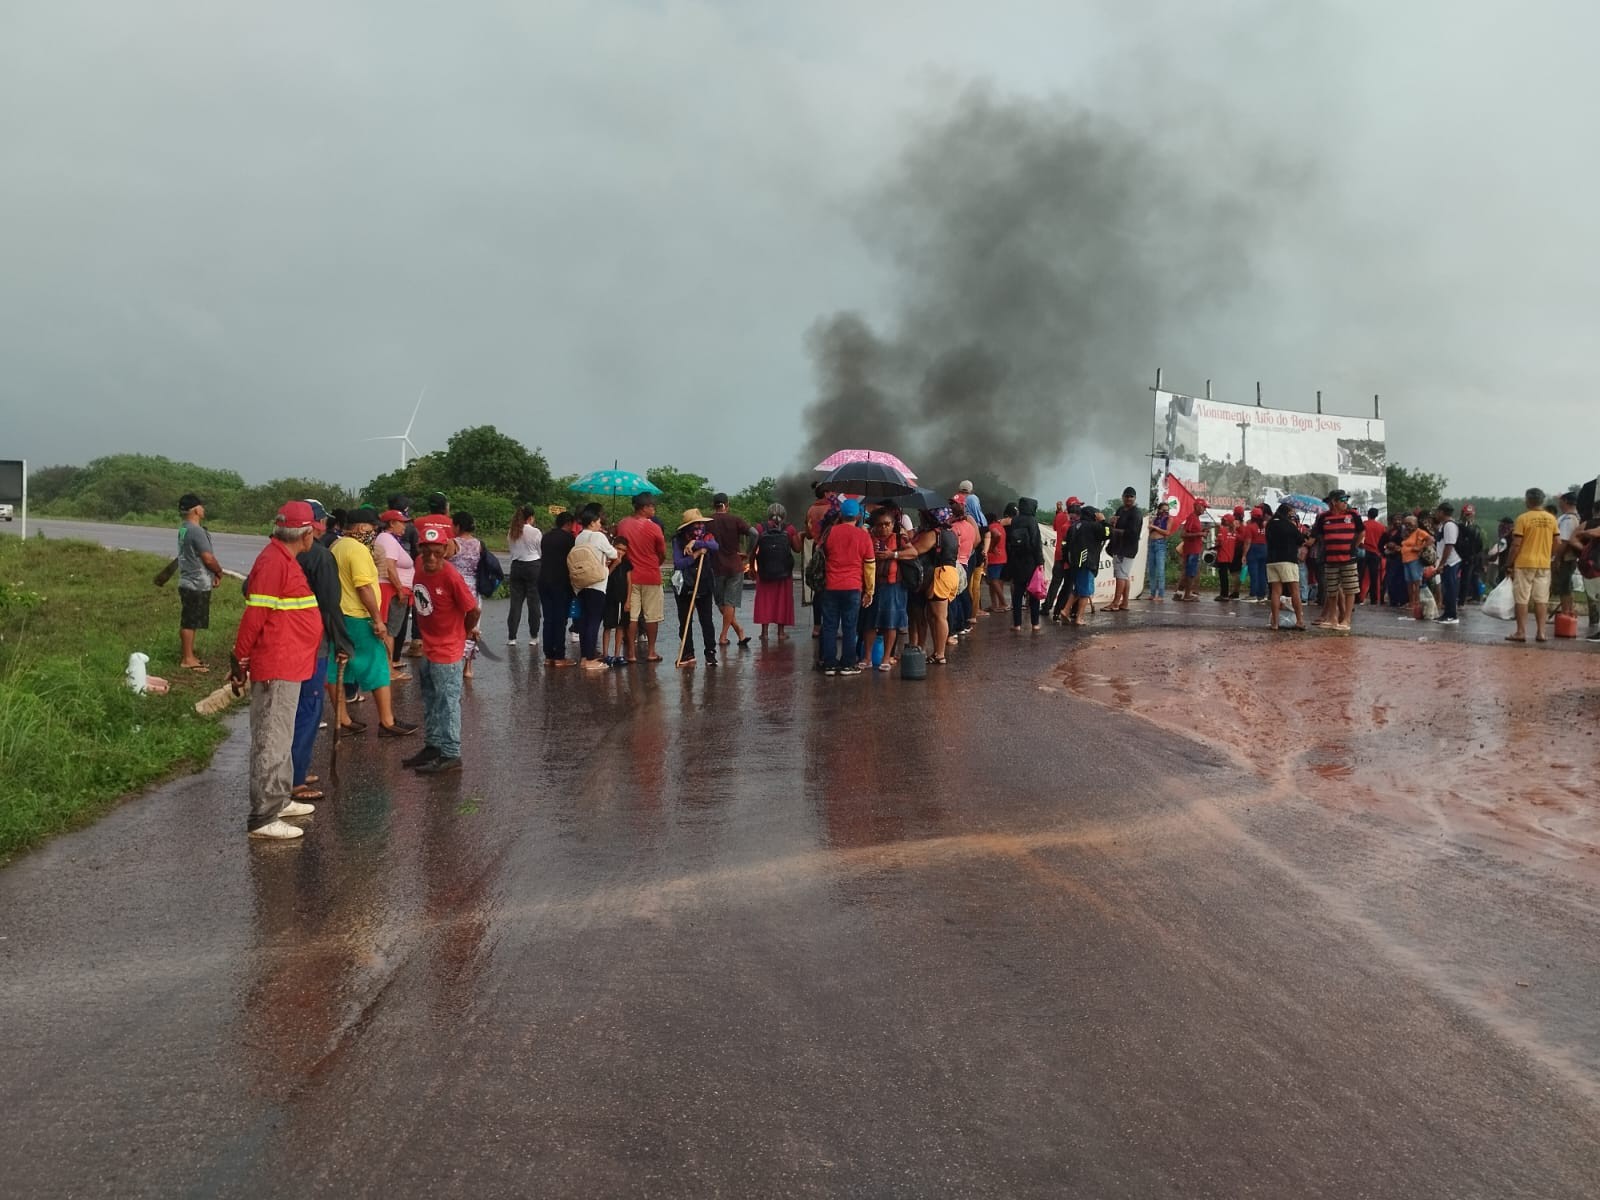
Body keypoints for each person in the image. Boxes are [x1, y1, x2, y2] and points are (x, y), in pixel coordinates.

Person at [230, 502, 324, 841]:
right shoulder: (273, 562)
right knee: (271, 739)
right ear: (307, 533)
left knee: (281, 737)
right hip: (277, 665)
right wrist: (240, 659)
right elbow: (255, 616)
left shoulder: (283, 559)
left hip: (291, 662)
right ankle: (264, 816)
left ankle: (280, 800)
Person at [325, 507, 418, 738]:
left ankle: (343, 718)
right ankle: (387, 721)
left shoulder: (336, 546)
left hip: (339, 615)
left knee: (339, 666)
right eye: (372, 528)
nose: (374, 532)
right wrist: (377, 619)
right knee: (378, 665)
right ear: (360, 528)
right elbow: (363, 587)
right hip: (358, 616)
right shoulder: (357, 550)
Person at [401, 524, 481, 774]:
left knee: (447, 702)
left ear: (446, 550)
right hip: (429, 645)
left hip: (447, 649)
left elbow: (473, 610)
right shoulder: (418, 566)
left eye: (438, 552)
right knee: (430, 698)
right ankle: (433, 745)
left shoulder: (451, 576)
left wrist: (463, 633)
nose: (432, 558)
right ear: (420, 550)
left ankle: (451, 753)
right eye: (427, 553)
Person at [290, 499, 353, 804]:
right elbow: (331, 605)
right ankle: (296, 779)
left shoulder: (278, 554)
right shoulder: (319, 557)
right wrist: (342, 643)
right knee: (308, 709)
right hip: (314, 643)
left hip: (285, 641)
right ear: (313, 525)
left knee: (290, 710)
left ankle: (294, 769)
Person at [818, 498, 875, 675]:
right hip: (853, 587)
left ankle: (829, 664)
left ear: (841, 514)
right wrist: (869, 590)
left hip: (831, 586)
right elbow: (870, 565)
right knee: (850, 626)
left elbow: (820, 552)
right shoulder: (863, 536)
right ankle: (848, 664)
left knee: (829, 626)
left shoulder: (830, 532)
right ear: (858, 516)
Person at [616, 493, 668, 664]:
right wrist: (656, 562)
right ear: (644, 507)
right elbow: (662, 552)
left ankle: (630, 652)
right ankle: (651, 651)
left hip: (629, 576)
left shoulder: (623, 524)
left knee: (631, 615)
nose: (654, 508)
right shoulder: (654, 528)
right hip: (650, 575)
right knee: (652, 616)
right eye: (652, 506)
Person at [175, 493, 223, 671]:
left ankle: (189, 655)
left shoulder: (184, 528)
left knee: (190, 619)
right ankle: (187, 658)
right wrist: (218, 571)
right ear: (196, 509)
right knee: (190, 620)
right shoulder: (197, 531)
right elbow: (208, 558)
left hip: (187, 579)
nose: (203, 509)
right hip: (196, 581)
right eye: (201, 506)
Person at [570, 505, 620, 670]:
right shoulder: (599, 537)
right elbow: (613, 554)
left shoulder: (579, 537)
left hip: (581, 584)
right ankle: (590, 659)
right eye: (599, 521)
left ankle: (585, 655)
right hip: (597, 583)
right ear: (592, 522)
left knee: (584, 621)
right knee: (593, 621)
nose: (600, 523)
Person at [1506, 487, 1558, 644]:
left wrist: (1509, 563)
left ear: (1528, 500)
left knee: (1522, 598)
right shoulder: (1551, 519)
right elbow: (1557, 542)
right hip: (1543, 564)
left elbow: (1516, 544)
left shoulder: (1523, 518)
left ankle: (1521, 632)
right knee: (1541, 599)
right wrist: (1549, 556)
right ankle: (1541, 632)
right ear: (1542, 501)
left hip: (1524, 563)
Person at [672, 509, 720, 667]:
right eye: (695, 524)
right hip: (684, 584)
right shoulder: (678, 540)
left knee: (706, 620)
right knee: (685, 620)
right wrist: (696, 554)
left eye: (701, 524)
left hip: (704, 582)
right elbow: (679, 563)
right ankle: (688, 653)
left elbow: (715, 547)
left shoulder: (707, 537)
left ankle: (710, 653)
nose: (699, 526)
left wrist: (697, 543)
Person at [707, 492, 753, 650]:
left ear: (713, 505)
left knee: (722, 603)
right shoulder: (735, 520)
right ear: (727, 504)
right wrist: (749, 551)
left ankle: (725, 635)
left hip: (716, 566)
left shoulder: (708, 522)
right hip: (734, 565)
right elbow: (754, 533)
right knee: (729, 603)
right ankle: (736, 631)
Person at [373, 510, 415, 679]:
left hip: (394, 589)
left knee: (390, 630)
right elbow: (389, 566)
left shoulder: (388, 539)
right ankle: (388, 670)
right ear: (391, 523)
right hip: (392, 591)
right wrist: (399, 588)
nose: (405, 526)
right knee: (390, 631)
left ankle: (386, 667)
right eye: (401, 522)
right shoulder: (387, 539)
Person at [1313, 490, 1363, 631]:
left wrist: (1353, 546)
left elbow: (1361, 531)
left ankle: (1346, 619)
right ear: (1334, 501)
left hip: (1348, 558)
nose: (1345, 502)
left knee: (1350, 589)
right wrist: (1327, 546)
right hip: (1330, 558)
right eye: (1342, 500)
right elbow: (1318, 534)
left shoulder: (1353, 515)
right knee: (1332, 589)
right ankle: (1332, 618)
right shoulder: (1323, 517)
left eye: (1346, 499)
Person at [868, 509, 910, 669]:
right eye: (880, 525)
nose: (883, 528)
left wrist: (893, 555)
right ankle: (867, 657)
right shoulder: (868, 538)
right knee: (870, 622)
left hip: (893, 586)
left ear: (893, 525)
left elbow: (913, 552)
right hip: (872, 585)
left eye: (887, 524)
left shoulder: (900, 538)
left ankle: (886, 658)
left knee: (890, 623)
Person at [751, 503, 800, 640]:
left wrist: (751, 567)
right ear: (784, 516)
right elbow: (797, 549)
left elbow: (753, 551)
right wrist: (799, 536)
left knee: (764, 600)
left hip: (764, 571)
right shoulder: (789, 529)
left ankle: (764, 633)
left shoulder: (760, 528)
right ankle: (780, 633)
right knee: (782, 600)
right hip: (784, 572)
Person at [538, 512, 576, 667]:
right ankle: (560, 656)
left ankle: (548, 656)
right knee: (560, 620)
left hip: (543, 580)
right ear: (568, 523)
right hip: (560, 582)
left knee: (548, 619)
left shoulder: (546, 537)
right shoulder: (568, 539)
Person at [448, 512, 483, 678]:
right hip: (473, 589)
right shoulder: (479, 544)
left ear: (458, 526)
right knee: (472, 625)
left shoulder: (453, 543)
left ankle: (455, 660)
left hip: (456, 588)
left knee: (455, 624)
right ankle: (468, 667)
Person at [1062, 505, 1108, 626]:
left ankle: (1065, 610)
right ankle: (1079, 618)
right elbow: (1108, 533)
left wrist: (1068, 560)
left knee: (1077, 589)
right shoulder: (1093, 526)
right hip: (1087, 562)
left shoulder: (1073, 527)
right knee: (1085, 592)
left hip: (1075, 563)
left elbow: (1065, 545)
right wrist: (1103, 521)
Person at [1265, 501, 1307, 631]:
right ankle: (1299, 621)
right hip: (1288, 560)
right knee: (1294, 590)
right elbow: (1300, 540)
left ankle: (1275, 623)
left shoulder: (1269, 524)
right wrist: (1297, 529)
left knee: (1275, 592)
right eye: (1291, 514)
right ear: (1287, 513)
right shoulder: (1289, 525)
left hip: (1272, 561)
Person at [1007, 497, 1045, 632]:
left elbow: (1009, 541)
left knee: (1018, 593)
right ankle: (1035, 623)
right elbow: (1036, 542)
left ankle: (1017, 624)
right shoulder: (1032, 521)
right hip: (1031, 562)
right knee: (1034, 592)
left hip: (1017, 561)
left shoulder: (1015, 520)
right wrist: (1040, 562)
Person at [506, 505, 543, 646]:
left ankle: (512, 637)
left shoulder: (512, 531)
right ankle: (533, 637)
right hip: (533, 566)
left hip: (516, 566)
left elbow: (511, 550)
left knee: (515, 603)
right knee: (533, 604)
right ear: (530, 517)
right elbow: (541, 551)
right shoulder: (535, 532)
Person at [946, 500, 979, 640]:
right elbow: (975, 541)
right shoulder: (970, 527)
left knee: (953, 598)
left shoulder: (953, 528)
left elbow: (953, 546)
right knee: (962, 593)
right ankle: (964, 624)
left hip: (955, 563)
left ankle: (953, 629)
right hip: (965, 562)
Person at [1107, 487, 1142, 611]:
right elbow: (1114, 525)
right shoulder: (1120, 510)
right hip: (1118, 546)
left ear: (1135, 498)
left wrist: (1115, 531)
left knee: (1120, 575)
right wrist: (1112, 522)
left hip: (1127, 548)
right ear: (1122, 497)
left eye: (1131, 496)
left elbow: (1133, 533)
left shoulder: (1136, 513)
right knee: (1125, 575)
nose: (1128, 498)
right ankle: (1125, 603)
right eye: (1126, 496)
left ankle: (1115, 603)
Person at [602, 535, 632, 666]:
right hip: (609, 597)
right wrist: (614, 564)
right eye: (618, 548)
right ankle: (605, 654)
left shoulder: (627, 564)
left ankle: (617, 654)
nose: (621, 552)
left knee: (621, 626)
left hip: (622, 597)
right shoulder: (606, 560)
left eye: (624, 550)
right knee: (608, 625)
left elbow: (629, 582)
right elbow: (605, 575)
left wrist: (628, 600)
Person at [1044, 498, 1078, 615]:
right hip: (1068, 556)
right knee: (1068, 585)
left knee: (1055, 583)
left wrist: (1058, 512)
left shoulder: (1059, 516)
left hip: (1058, 554)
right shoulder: (1074, 520)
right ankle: (1061, 609)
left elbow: (1054, 527)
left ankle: (1046, 607)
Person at [1432, 503, 1462, 625]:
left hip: (1451, 561)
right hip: (1446, 562)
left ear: (1442, 512)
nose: (1436, 514)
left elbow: (1449, 545)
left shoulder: (1449, 526)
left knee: (1450, 588)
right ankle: (1447, 613)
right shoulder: (1443, 525)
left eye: (1437, 512)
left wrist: (1442, 564)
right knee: (1446, 588)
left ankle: (1452, 615)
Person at [1553, 491, 1581, 619]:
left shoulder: (1568, 519)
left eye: (1560, 500)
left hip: (1565, 558)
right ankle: (1569, 612)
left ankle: (1566, 613)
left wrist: (1557, 559)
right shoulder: (1573, 517)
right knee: (1567, 585)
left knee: (1564, 586)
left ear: (1565, 501)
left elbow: (1564, 541)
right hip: (1567, 557)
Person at [1398, 515, 1432, 616]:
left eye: (1410, 524)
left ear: (1416, 523)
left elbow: (1430, 539)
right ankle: (1411, 602)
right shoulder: (1406, 533)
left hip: (1415, 560)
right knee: (1409, 582)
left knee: (1416, 581)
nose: (1408, 526)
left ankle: (1417, 602)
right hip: (1406, 560)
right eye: (1406, 524)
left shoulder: (1419, 532)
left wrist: (1420, 547)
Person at [984, 505, 1012, 613]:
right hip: (1002, 557)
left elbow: (997, 535)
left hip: (995, 558)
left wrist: (992, 547)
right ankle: (995, 604)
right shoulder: (1000, 526)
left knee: (993, 580)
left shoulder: (992, 527)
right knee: (995, 581)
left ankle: (1003, 603)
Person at [1177, 498, 1205, 601]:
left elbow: (1191, 532)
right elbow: (1183, 534)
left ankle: (1179, 593)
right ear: (1198, 506)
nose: (1204, 509)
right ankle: (1187, 595)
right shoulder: (1192, 517)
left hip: (1194, 549)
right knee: (1191, 573)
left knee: (1188, 572)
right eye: (1204, 507)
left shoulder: (1195, 518)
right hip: (1192, 550)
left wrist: (1201, 532)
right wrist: (1200, 534)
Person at [1457, 504, 1485, 604]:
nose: (1467, 516)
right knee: (1466, 579)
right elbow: (1480, 546)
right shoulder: (1475, 527)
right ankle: (1461, 599)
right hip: (1468, 557)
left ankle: (1461, 600)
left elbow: (1479, 545)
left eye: (1469, 514)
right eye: (1467, 514)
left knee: (1466, 579)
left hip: (1467, 557)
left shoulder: (1461, 527)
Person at [1244, 505, 1270, 603]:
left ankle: (1253, 594)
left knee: (1254, 573)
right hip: (1264, 549)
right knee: (1262, 573)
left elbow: (1248, 542)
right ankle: (1261, 594)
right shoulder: (1265, 526)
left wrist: (1244, 554)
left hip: (1253, 549)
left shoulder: (1250, 527)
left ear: (1252, 516)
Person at [1360, 508, 1385, 605]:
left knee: (1360, 575)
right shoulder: (1381, 527)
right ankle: (1374, 599)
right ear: (1377, 515)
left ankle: (1358, 597)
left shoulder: (1364, 524)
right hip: (1376, 553)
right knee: (1374, 577)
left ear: (1368, 514)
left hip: (1363, 550)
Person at [1212, 513, 1240, 601]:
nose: (1221, 521)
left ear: (1226, 521)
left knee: (1223, 576)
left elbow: (1219, 542)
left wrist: (1215, 543)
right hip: (1229, 556)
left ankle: (1224, 595)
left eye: (1223, 520)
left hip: (1222, 556)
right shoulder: (1234, 532)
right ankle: (1225, 594)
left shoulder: (1222, 530)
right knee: (1225, 576)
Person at [1146, 502, 1171, 602]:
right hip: (1152, 543)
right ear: (1159, 510)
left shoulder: (1169, 519)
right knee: (1152, 570)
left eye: (1166, 510)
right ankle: (1152, 593)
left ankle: (1160, 594)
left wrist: (1155, 528)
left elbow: (1167, 532)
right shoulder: (1155, 519)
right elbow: (1148, 528)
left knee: (1160, 570)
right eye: (1163, 510)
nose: (1165, 512)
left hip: (1160, 543)